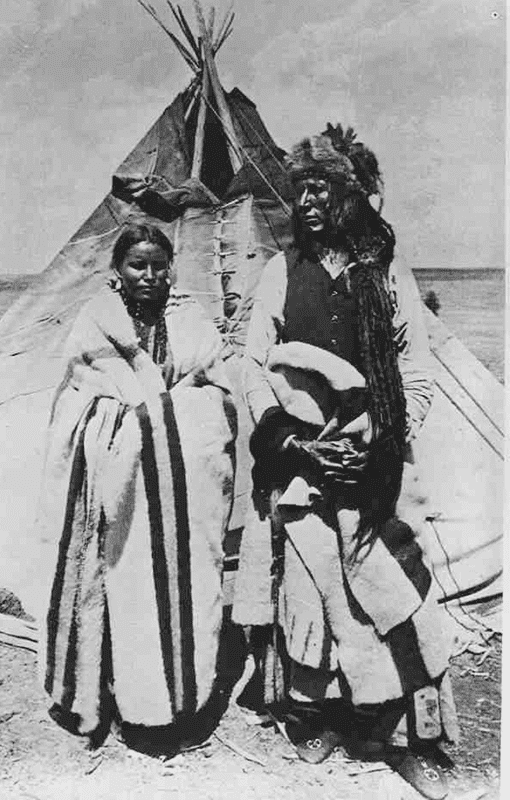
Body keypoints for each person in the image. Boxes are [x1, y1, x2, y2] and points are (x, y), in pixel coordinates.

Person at [232, 126, 458, 799]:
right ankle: (320, 717)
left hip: (373, 463)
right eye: (300, 187)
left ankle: (391, 727)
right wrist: (285, 437)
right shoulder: (282, 271)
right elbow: (249, 361)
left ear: (353, 195)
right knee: (310, 592)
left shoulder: (387, 272)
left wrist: (380, 438)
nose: (306, 199)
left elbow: (415, 367)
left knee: (387, 585)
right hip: (302, 463)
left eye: (321, 187)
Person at [40, 222, 236, 752]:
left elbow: (216, 391)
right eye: (137, 265)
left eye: (157, 265)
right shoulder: (96, 323)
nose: (149, 275)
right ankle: (119, 701)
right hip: (121, 490)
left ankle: (178, 707)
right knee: (121, 591)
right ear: (117, 270)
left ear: (169, 266)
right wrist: (139, 423)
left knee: (186, 587)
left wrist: (166, 418)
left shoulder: (189, 318)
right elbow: (81, 399)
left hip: (181, 490)